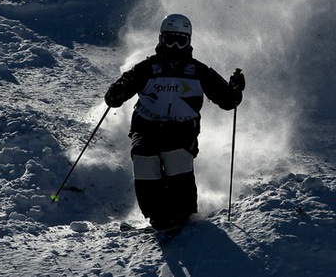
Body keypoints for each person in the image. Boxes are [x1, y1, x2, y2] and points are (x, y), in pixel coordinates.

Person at [104, 13, 245, 231]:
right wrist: (117, 92)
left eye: (181, 40)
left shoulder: (198, 71)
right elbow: (118, 91)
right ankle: (156, 213)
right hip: (146, 126)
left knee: (175, 156)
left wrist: (234, 90)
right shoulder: (147, 68)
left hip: (182, 128)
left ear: (189, 41)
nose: (175, 46)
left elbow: (227, 101)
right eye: (170, 39)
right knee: (143, 157)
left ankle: (181, 211)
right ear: (161, 39)